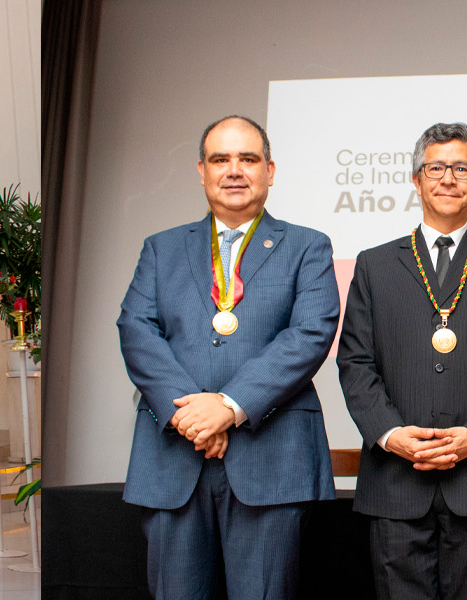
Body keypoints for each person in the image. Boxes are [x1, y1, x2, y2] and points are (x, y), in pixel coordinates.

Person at [116, 115, 340, 598]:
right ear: (202, 171)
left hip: (271, 458)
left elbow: (310, 334)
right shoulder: (161, 248)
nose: (234, 170)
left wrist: (228, 406)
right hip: (174, 455)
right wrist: (192, 416)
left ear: (270, 171)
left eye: (248, 159)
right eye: (221, 159)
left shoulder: (308, 246)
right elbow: (136, 330)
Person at [338, 123, 467, 599]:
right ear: (416, 180)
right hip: (394, 483)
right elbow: (356, 362)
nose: (449, 178)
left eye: (462, 169)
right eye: (436, 168)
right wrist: (391, 434)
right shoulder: (375, 264)